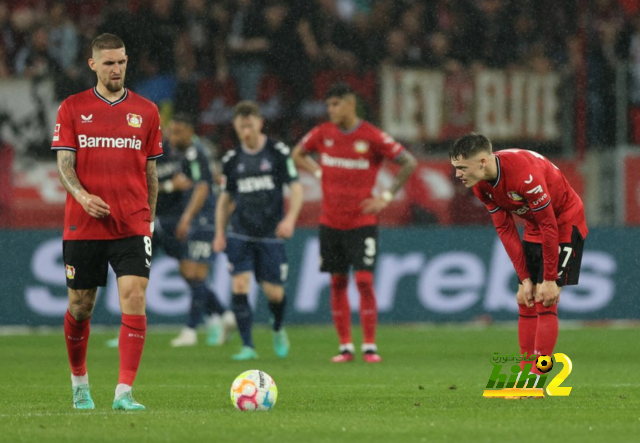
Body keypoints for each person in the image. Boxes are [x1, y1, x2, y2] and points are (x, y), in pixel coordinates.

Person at [52, 33, 162, 411]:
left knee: (135, 297)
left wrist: (149, 218)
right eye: (109, 63)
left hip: (132, 223)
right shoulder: (72, 107)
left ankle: (123, 392)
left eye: (122, 62)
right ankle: (79, 382)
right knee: (81, 305)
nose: (116, 69)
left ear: (127, 61)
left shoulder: (147, 111)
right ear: (93, 64)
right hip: (83, 224)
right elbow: (64, 166)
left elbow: (151, 173)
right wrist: (83, 197)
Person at [292, 83, 417, 363]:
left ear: (351, 105)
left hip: (362, 222)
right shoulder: (323, 133)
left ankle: (370, 346)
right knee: (337, 281)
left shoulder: (371, 135)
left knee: (363, 280)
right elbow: (297, 153)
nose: (330, 110)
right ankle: (345, 347)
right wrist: (317, 170)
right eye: (329, 105)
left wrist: (386, 196)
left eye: (336, 104)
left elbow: (408, 161)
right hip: (330, 221)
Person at [449, 133, 588, 378]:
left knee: (546, 298)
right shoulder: (481, 185)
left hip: (564, 222)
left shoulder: (525, 174)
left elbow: (550, 225)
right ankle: (524, 373)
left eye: (461, 167)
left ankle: (538, 376)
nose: (457, 174)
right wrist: (524, 278)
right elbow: (505, 228)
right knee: (525, 298)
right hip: (535, 225)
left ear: (482, 162)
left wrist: (548, 279)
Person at [213, 100, 303, 361]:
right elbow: (224, 200)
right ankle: (248, 346)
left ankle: (277, 328)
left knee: (274, 292)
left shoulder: (277, 152)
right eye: (242, 126)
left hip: (270, 234)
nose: (247, 131)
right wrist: (220, 233)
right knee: (240, 285)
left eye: (250, 125)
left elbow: (296, 188)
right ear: (236, 127)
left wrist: (290, 220)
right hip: (240, 232)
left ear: (260, 123)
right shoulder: (231, 160)